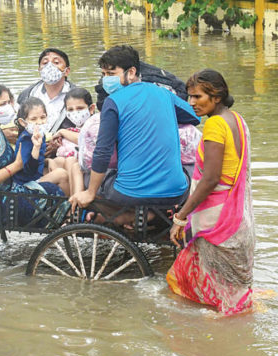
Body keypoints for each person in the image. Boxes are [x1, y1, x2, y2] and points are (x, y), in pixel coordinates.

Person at [69, 45, 200, 225]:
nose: (106, 80)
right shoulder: (163, 93)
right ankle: (151, 216)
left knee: (87, 173)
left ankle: (116, 216)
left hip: (129, 194)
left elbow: (103, 151)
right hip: (176, 192)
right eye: (104, 74)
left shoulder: (113, 102)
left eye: (111, 74)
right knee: (189, 170)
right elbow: (193, 116)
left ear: (131, 72)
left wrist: (90, 192)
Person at [167, 69, 255, 315]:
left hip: (217, 216)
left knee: (223, 293)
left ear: (216, 97)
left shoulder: (215, 125)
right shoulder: (236, 119)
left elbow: (210, 179)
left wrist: (181, 217)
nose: (191, 103)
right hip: (235, 213)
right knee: (225, 285)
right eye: (190, 97)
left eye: (198, 97)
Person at [0, 83, 65, 226]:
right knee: (54, 191)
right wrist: (16, 165)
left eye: (9, 102)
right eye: (3, 104)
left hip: (0, 192)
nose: (10, 106)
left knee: (56, 168)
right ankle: (71, 219)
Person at [16, 48, 79, 156]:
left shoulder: (78, 96)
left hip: (65, 156)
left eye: (56, 62)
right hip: (30, 154)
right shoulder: (27, 95)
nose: (50, 66)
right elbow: (19, 125)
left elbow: (85, 131)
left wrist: (60, 145)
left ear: (67, 71)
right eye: (45, 63)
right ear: (39, 70)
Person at [13, 97, 69, 194]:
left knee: (61, 161)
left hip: (36, 175)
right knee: (62, 174)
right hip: (25, 183)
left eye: (43, 117)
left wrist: (48, 161)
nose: (39, 122)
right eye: (33, 119)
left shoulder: (40, 134)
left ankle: (73, 195)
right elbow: (27, 170)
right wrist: (36, 147)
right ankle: (67, 207)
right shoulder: (26, 139)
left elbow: (39, 159)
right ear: (23, 122)